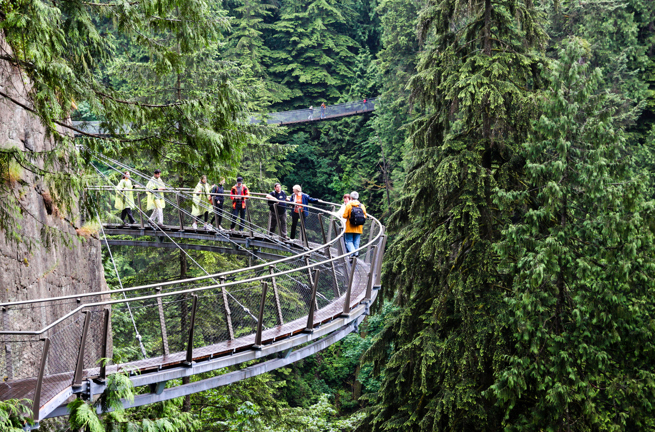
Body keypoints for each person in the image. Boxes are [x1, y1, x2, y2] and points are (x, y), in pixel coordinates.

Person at [342, 191, 367, 259]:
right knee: (356, 242)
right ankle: (355, 255)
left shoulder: (349, 205)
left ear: (351, 198)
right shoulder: (362, 206)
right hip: (359, 227)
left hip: (349, 227)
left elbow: (344, 216)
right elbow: (365, 215)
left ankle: (353, 253)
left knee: (349, 241)